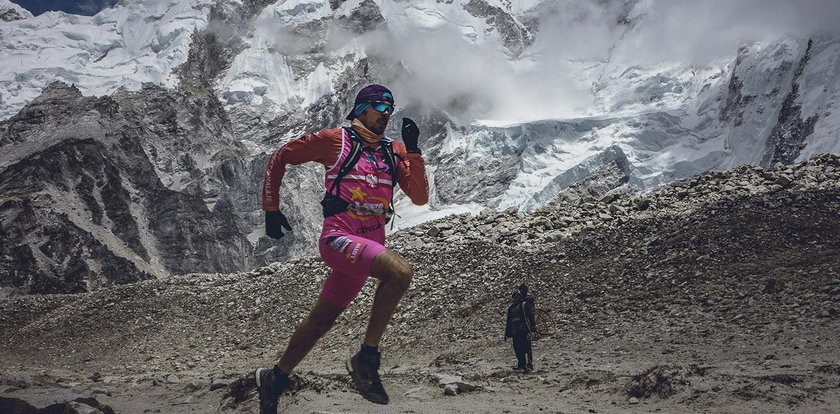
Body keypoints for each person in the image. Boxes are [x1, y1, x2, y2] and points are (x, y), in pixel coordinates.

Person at [255, 84, 429, 413]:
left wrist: (415, 151)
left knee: (321, 322)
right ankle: (366, 359)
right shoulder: (337, 140)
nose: (386, 113)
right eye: (379, 106)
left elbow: (420, 197)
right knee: (400, 273)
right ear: (361, 108)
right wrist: (271, 207)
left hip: (369, 245)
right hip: (339, 239)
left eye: (390, 108)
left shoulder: (394, 151)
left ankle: (275, 377)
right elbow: (281, 156)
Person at [504, 285, 536, 373]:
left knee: (526, 348)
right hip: (515, 331)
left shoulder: (524, 305)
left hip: (524, 330)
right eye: (514, 296)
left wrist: (533, 326)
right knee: (517, 349)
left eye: (517, 296)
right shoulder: (511, 308)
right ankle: (521, 364)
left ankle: (528, 365)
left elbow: (530, 316)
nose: (516, 298)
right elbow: (509, 322)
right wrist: (507, 333)